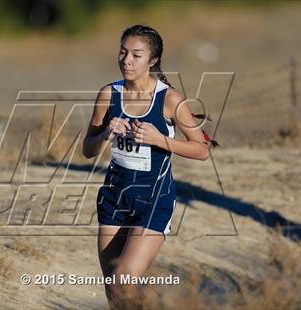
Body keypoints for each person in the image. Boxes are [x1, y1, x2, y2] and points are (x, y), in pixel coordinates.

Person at [82, 24, 215, 308]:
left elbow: (202, 151)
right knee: (115, 292)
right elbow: (87, 150)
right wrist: (105, 133)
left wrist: (159, 139)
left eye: (136, 55)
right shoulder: (109, 94)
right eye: (123, 52)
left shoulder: (169, 99)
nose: (126, 60)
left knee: (123, 279)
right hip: (114, 199)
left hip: (154, 202)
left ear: (152, 60)